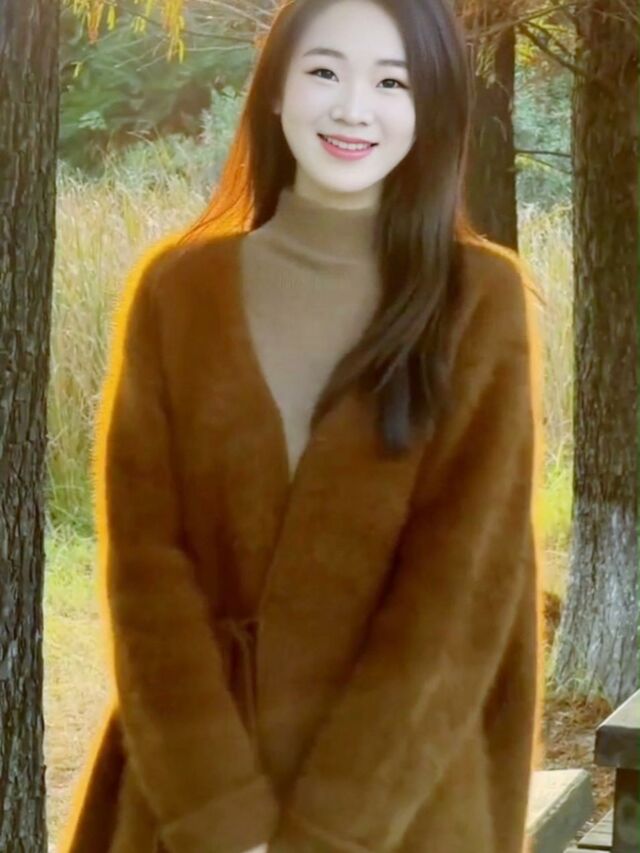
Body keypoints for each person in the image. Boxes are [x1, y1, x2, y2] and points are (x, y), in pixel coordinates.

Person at [59, 0, 545, 851]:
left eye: (392, 82)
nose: (354, 108)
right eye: (325, 71)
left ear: (431, 107)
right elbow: (145, 572)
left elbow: (461, 592)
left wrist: (331, 830)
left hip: (401, 811)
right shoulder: (177, 292)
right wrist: (219, 814)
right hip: (189, 803)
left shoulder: (479, 300)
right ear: (277, 89)